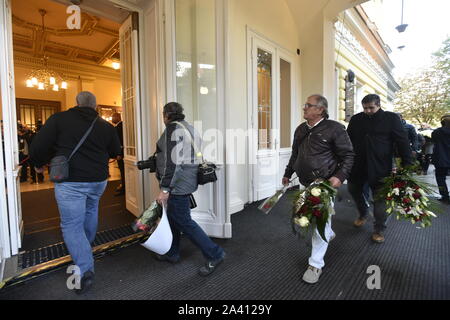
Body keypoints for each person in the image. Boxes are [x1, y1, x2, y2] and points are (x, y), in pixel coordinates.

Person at [30, 92, 122, 294]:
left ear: (77, 103)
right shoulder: (105, 126)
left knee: (71, 225)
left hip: (70, 181)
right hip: (98, 180)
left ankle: (85, 268)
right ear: (95, 105)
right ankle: (84, 248)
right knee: (91, 211)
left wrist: (38, 165)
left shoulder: (59, 119)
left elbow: (38, 146)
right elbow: (116, 150)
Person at [282, 94, 354, 284]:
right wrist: (288, 173)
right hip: (305, 183)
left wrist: (339, 177)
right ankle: (329, 233)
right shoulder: (300, 129)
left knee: (319, 222)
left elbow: (348, 156)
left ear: (320, 109)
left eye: (308, 105)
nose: (304, 108)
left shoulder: (335, 129)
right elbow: (295, 154)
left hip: (324, 184)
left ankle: (316, 264)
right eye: (305, 105)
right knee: (307, 217)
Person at [154, 102, 225, 276]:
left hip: (177, 184)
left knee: (184, 222)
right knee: (173, 219)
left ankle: (215, 254)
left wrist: (165, 189)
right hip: (187, 180)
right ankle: (172, 252)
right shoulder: (189, 128)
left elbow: (173, 163)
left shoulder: (172, 130)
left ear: (166, 115)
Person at [347, 94, 413, 243]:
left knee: (380, 202)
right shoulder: (357, 119)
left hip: (381, 166)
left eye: (371, 108)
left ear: (379, 105)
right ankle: (363, 213)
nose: (368, 111)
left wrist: (407, 163)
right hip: (358, 165)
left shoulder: (391, 118)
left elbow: (402, 141)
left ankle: (379, 229)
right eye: (365, 108)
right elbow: (347, 140)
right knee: (353, 190)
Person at [431, 114, 450, 204]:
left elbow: (433, 139)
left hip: (441, 158)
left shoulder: (437, 132)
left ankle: (445, 196)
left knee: (440, 178)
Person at [111, 112, 125, 196]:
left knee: (122, 171)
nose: (112, 119)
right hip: (123, 153)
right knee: (122, 172)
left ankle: (123, 188)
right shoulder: (122, 126)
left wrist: (118, 154)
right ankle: (123, 186)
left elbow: (119, 142)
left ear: (117, 117)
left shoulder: (119, 127)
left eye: (113, 117)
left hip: (121, 154)